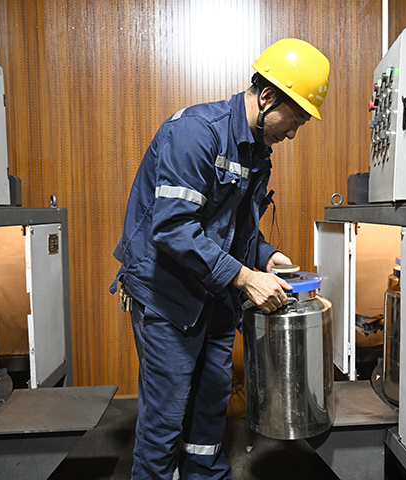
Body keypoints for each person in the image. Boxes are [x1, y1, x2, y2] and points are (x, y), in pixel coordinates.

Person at [110, 38, 330, 480]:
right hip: (167, 296)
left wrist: (266, 256)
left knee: (211, 401)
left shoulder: (256, 152)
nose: (292, 133)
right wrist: (246, 278)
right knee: (166, 414)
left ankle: (204, 474)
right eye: (295, 119)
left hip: (215, 292)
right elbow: (173, 228)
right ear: (267, 97)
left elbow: (235, 228)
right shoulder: (195, 133)